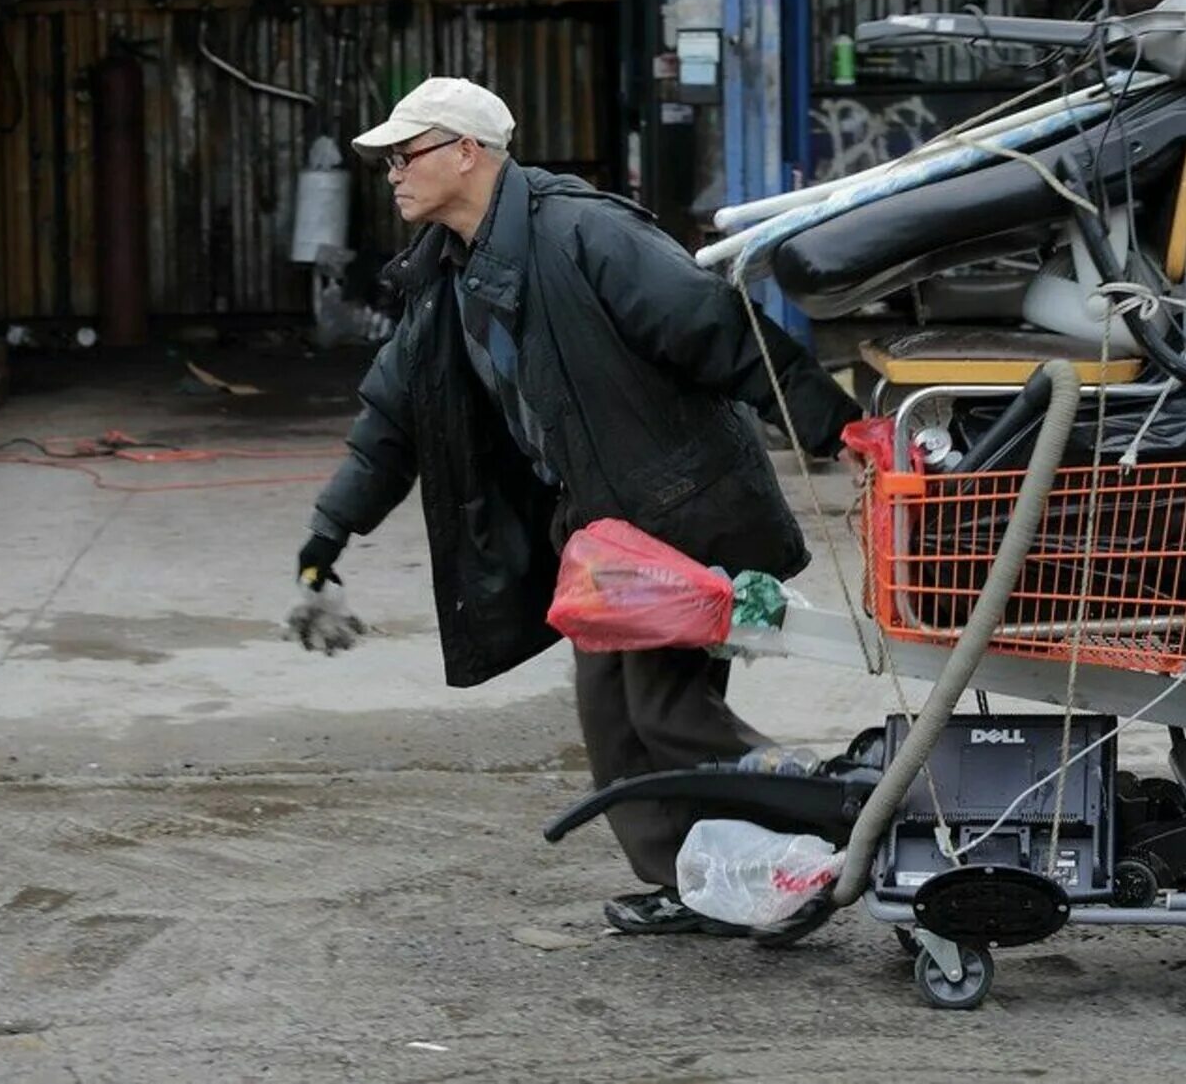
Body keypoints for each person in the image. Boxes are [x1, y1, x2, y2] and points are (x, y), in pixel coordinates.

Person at [292, 77, 859, 935]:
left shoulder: (583, 231)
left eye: (404, 155)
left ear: (466, 153)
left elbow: (715, 327)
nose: (392, 176)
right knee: (614, 721)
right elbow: (390, 420)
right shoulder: (446, 277)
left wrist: (833, 426)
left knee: (667, 710)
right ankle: (703, 881)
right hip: (603, 532)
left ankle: (848, 814)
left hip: (687, 510)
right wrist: (326, 538)